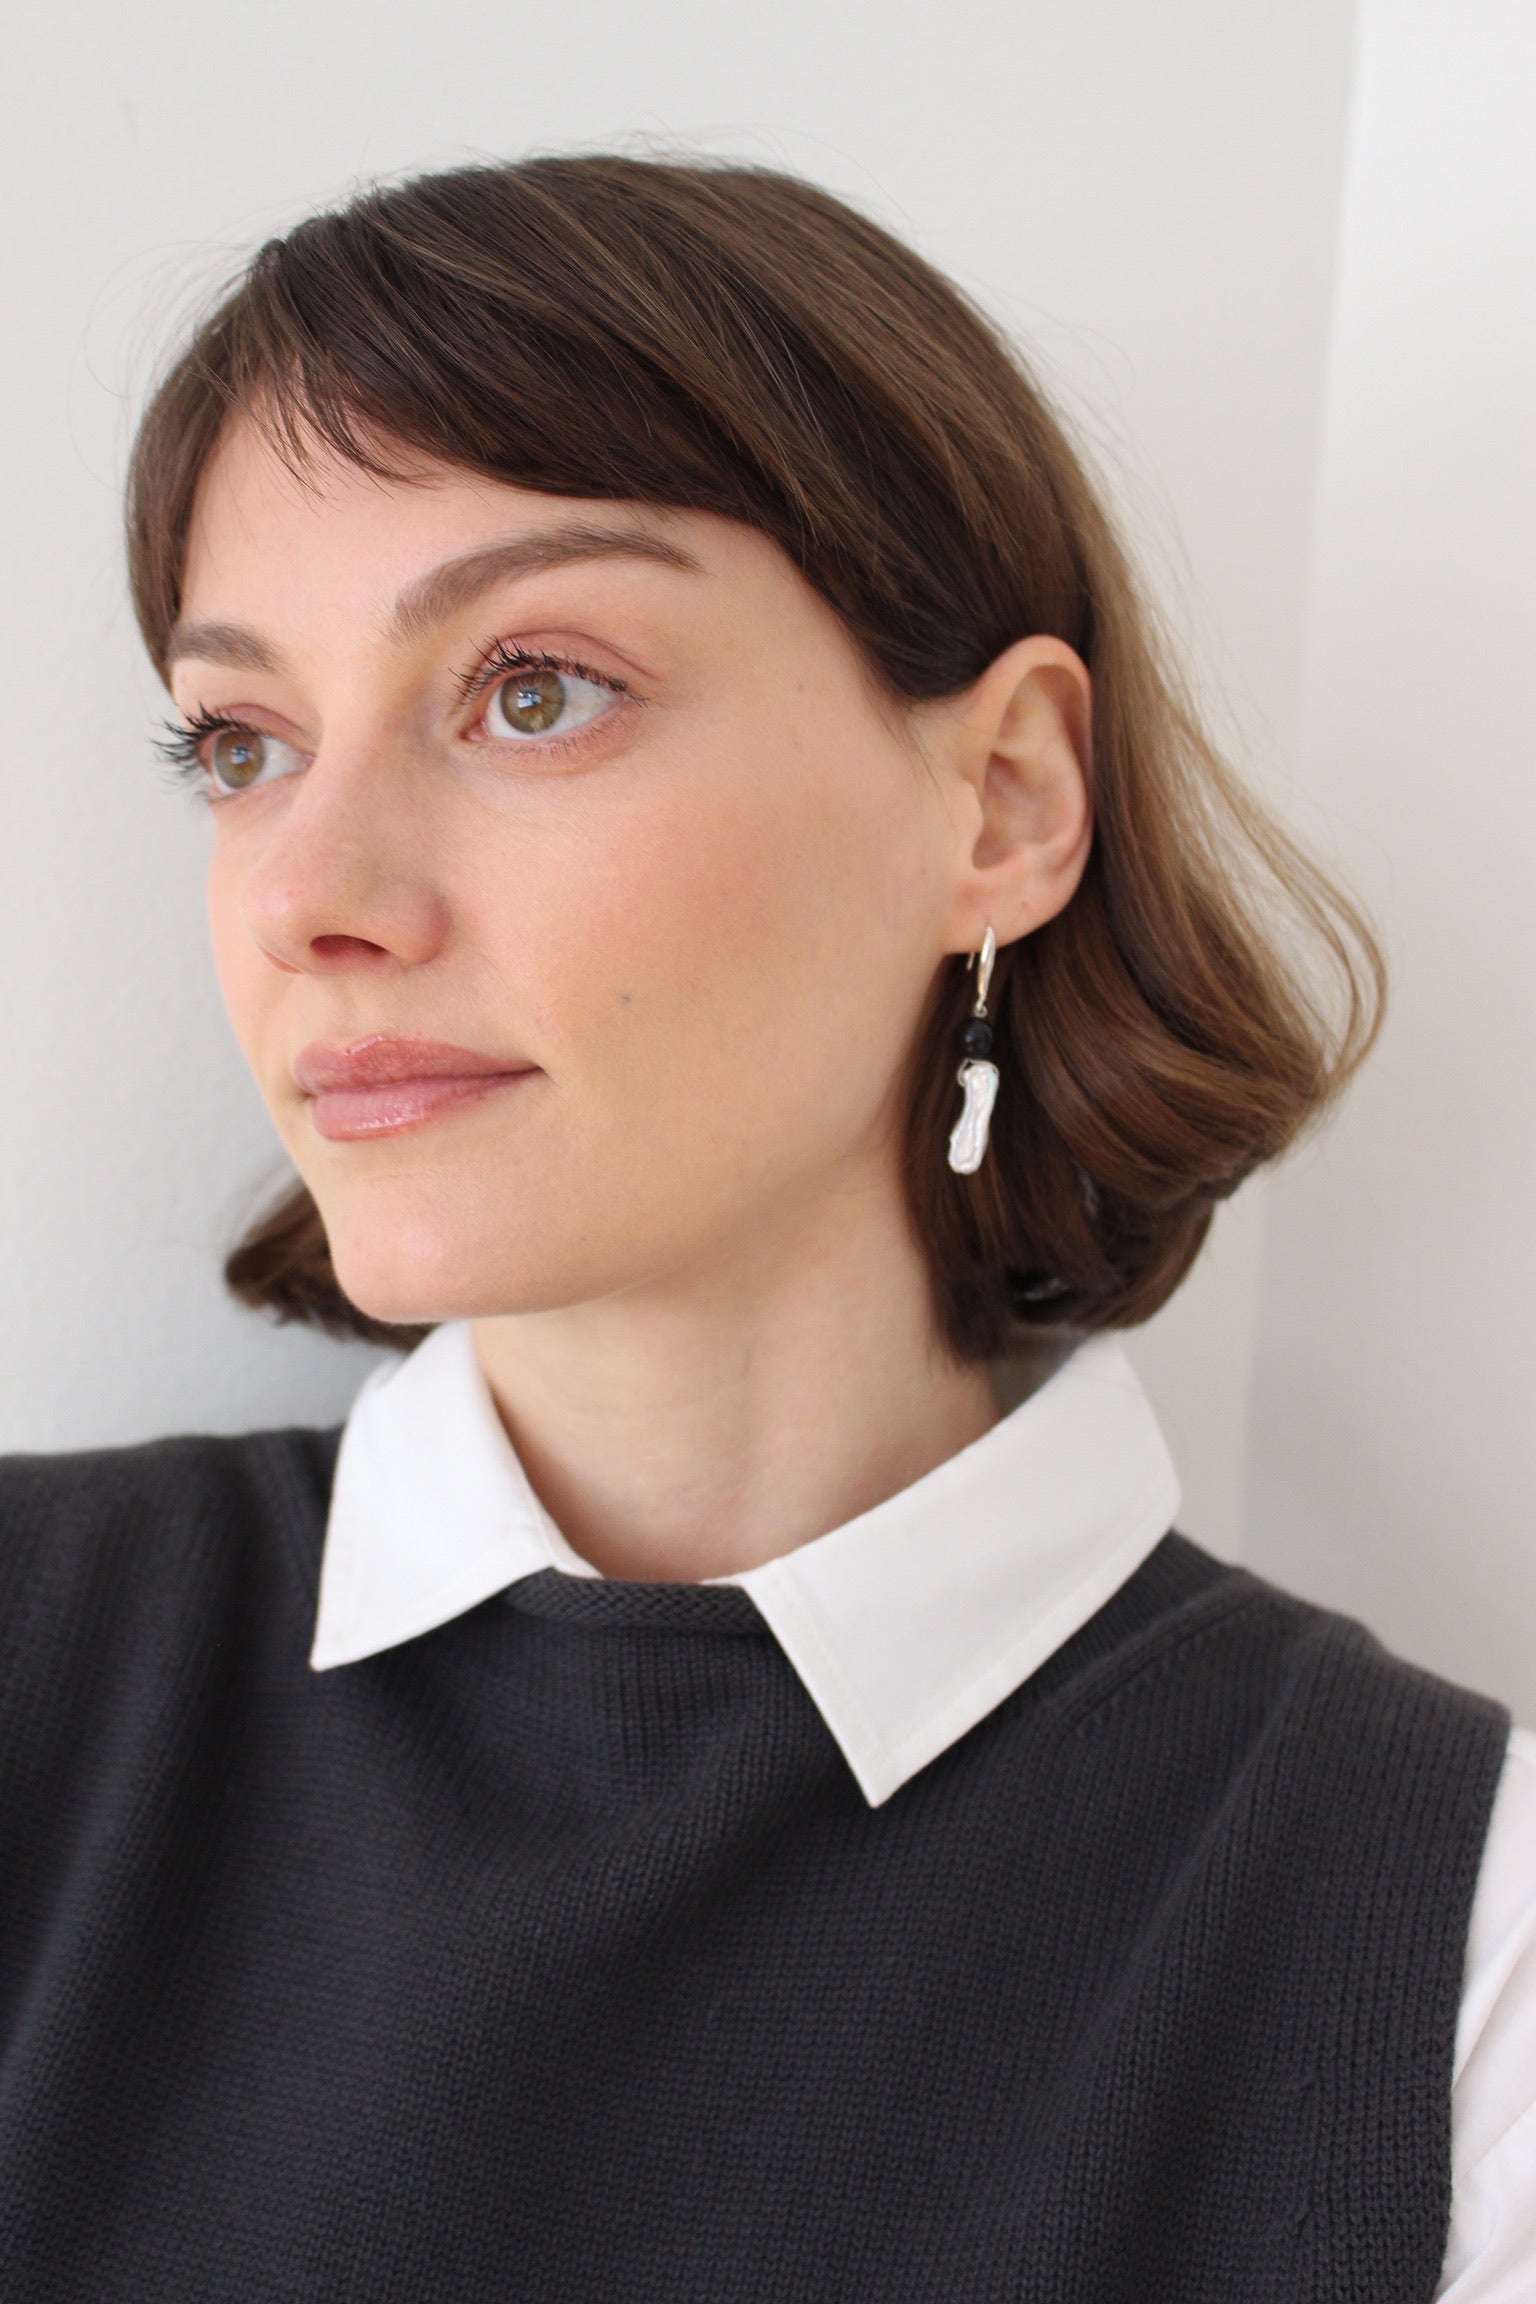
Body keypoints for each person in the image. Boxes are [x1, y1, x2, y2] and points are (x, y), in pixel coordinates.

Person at [1, 154, 1530, 2303]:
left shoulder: (1460, 1948)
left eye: (534, 689)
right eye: (240, 741)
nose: (305, 900)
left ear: (1002, 799)